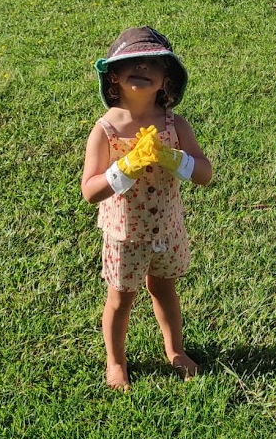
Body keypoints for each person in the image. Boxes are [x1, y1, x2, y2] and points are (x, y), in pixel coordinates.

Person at [81, 27, 212, 389]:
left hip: (166, 230)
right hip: (124, 234)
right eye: (131, 62)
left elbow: (204, 174)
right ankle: (116, 361)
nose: (142, 68)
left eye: (152, 62)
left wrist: (175, 159)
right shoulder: (105, 130)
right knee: (121, 300)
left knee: (164, 290)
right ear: (114, 76)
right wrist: (124, 168)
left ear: (165, 79)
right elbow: (90, 191)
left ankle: (175, 350)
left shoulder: (175, 125)